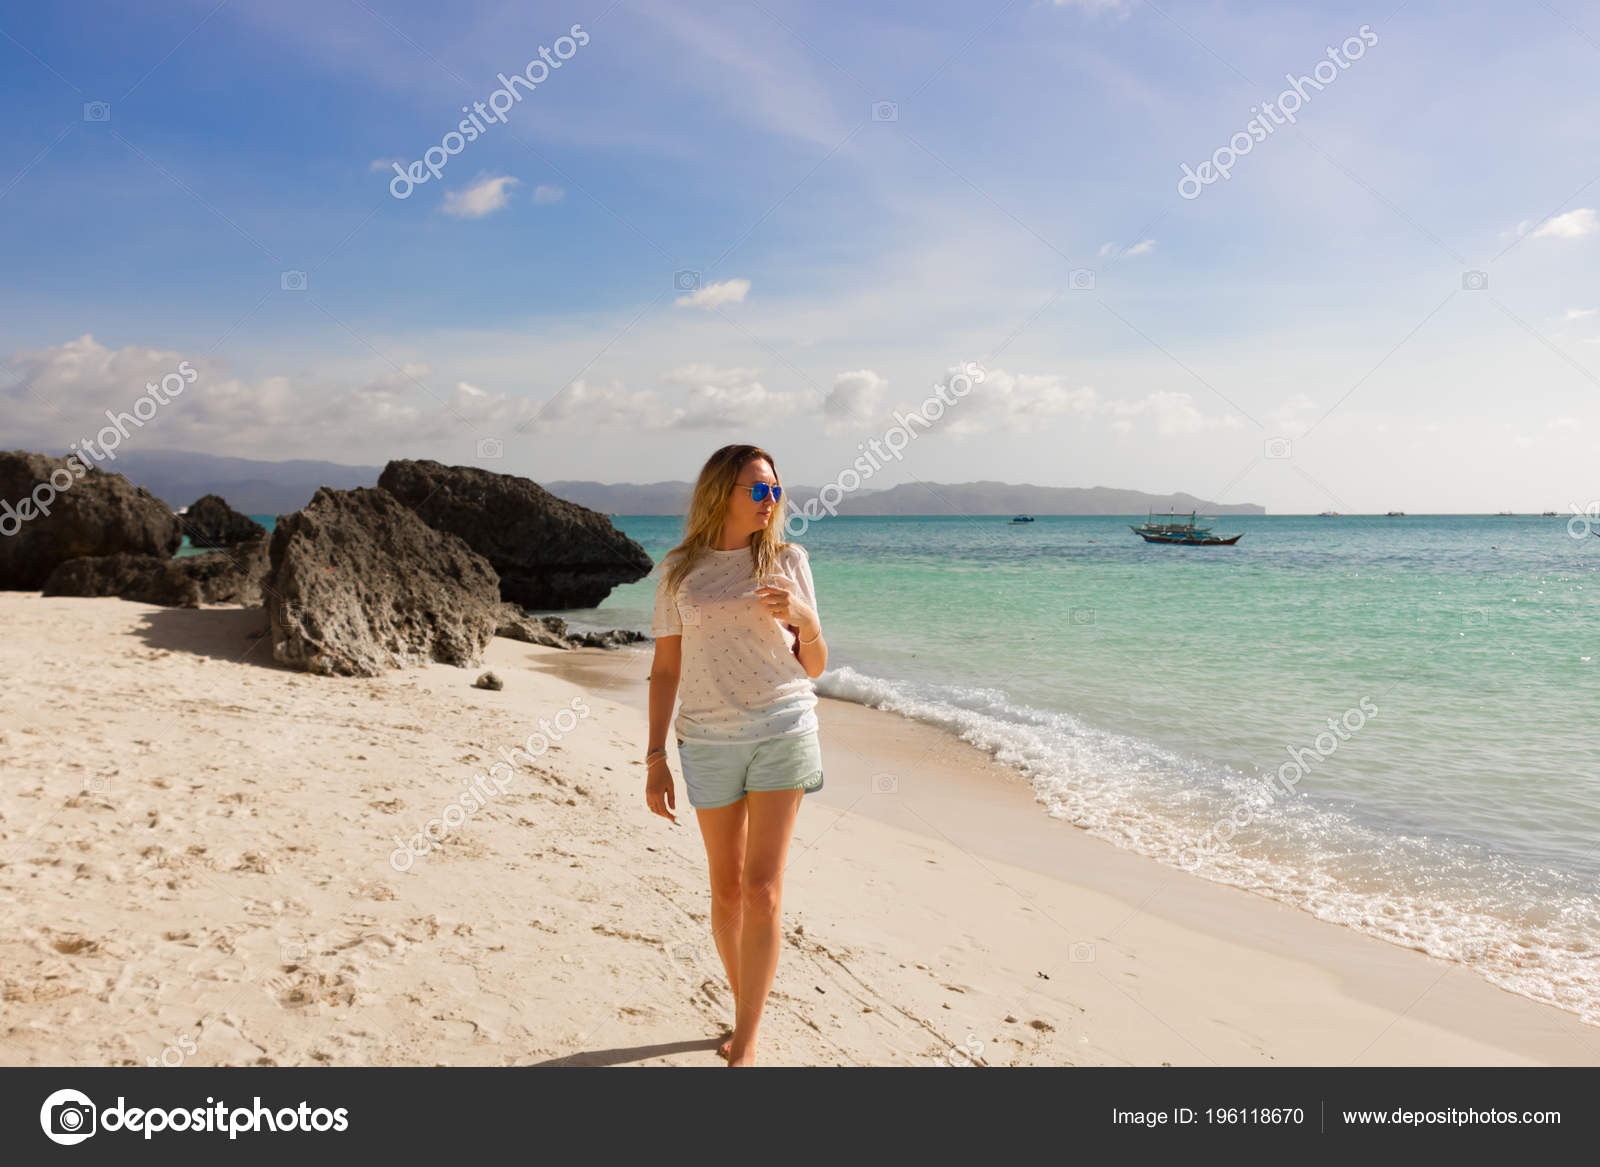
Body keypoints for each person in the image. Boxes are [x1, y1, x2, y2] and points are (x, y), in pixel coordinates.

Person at [644, 444, 828, 1066]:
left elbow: (815, 664)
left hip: (783, 729)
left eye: (775, 489)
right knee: (726, 891)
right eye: (758, 489)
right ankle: (743, 1002)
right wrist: (654, 758)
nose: (771, 500)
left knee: (761, 889)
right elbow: (666, 669)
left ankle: (746, 1039)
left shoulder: (788, 560)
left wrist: (805, 620)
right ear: (722, 492)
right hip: (706, 740)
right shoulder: (679, 571)